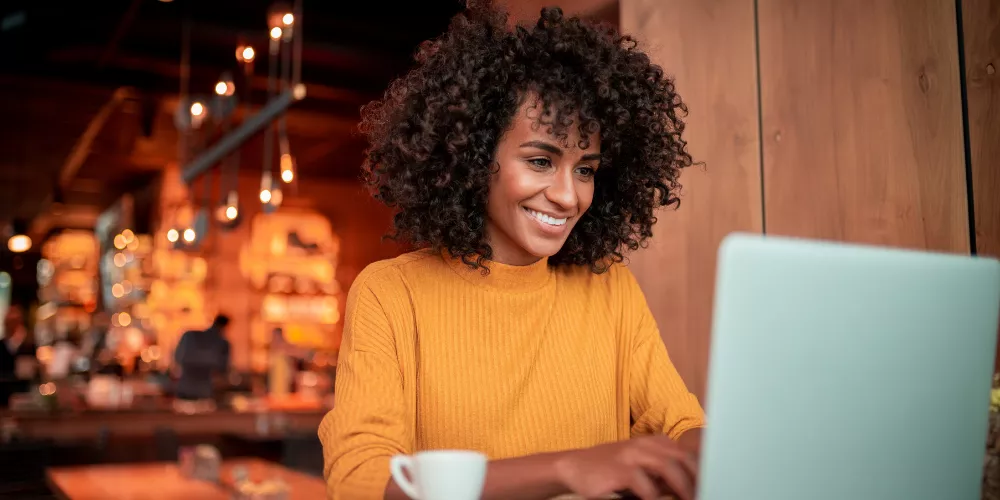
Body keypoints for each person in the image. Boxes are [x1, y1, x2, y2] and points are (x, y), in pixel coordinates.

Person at [319, 4, 703, 500]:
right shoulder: (391, 294)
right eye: (541, 161)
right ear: (475, 156)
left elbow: (683, 428)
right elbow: (361, 480)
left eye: (585, 169)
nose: (568, 196)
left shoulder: (610, 289)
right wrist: (565, 469)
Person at [173, 314, 231, 400]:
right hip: (204, 392)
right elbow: (223, 370)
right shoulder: (222, 344)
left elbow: (177, 358)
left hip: (185, 389)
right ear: (224, 326)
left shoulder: (189, 336)